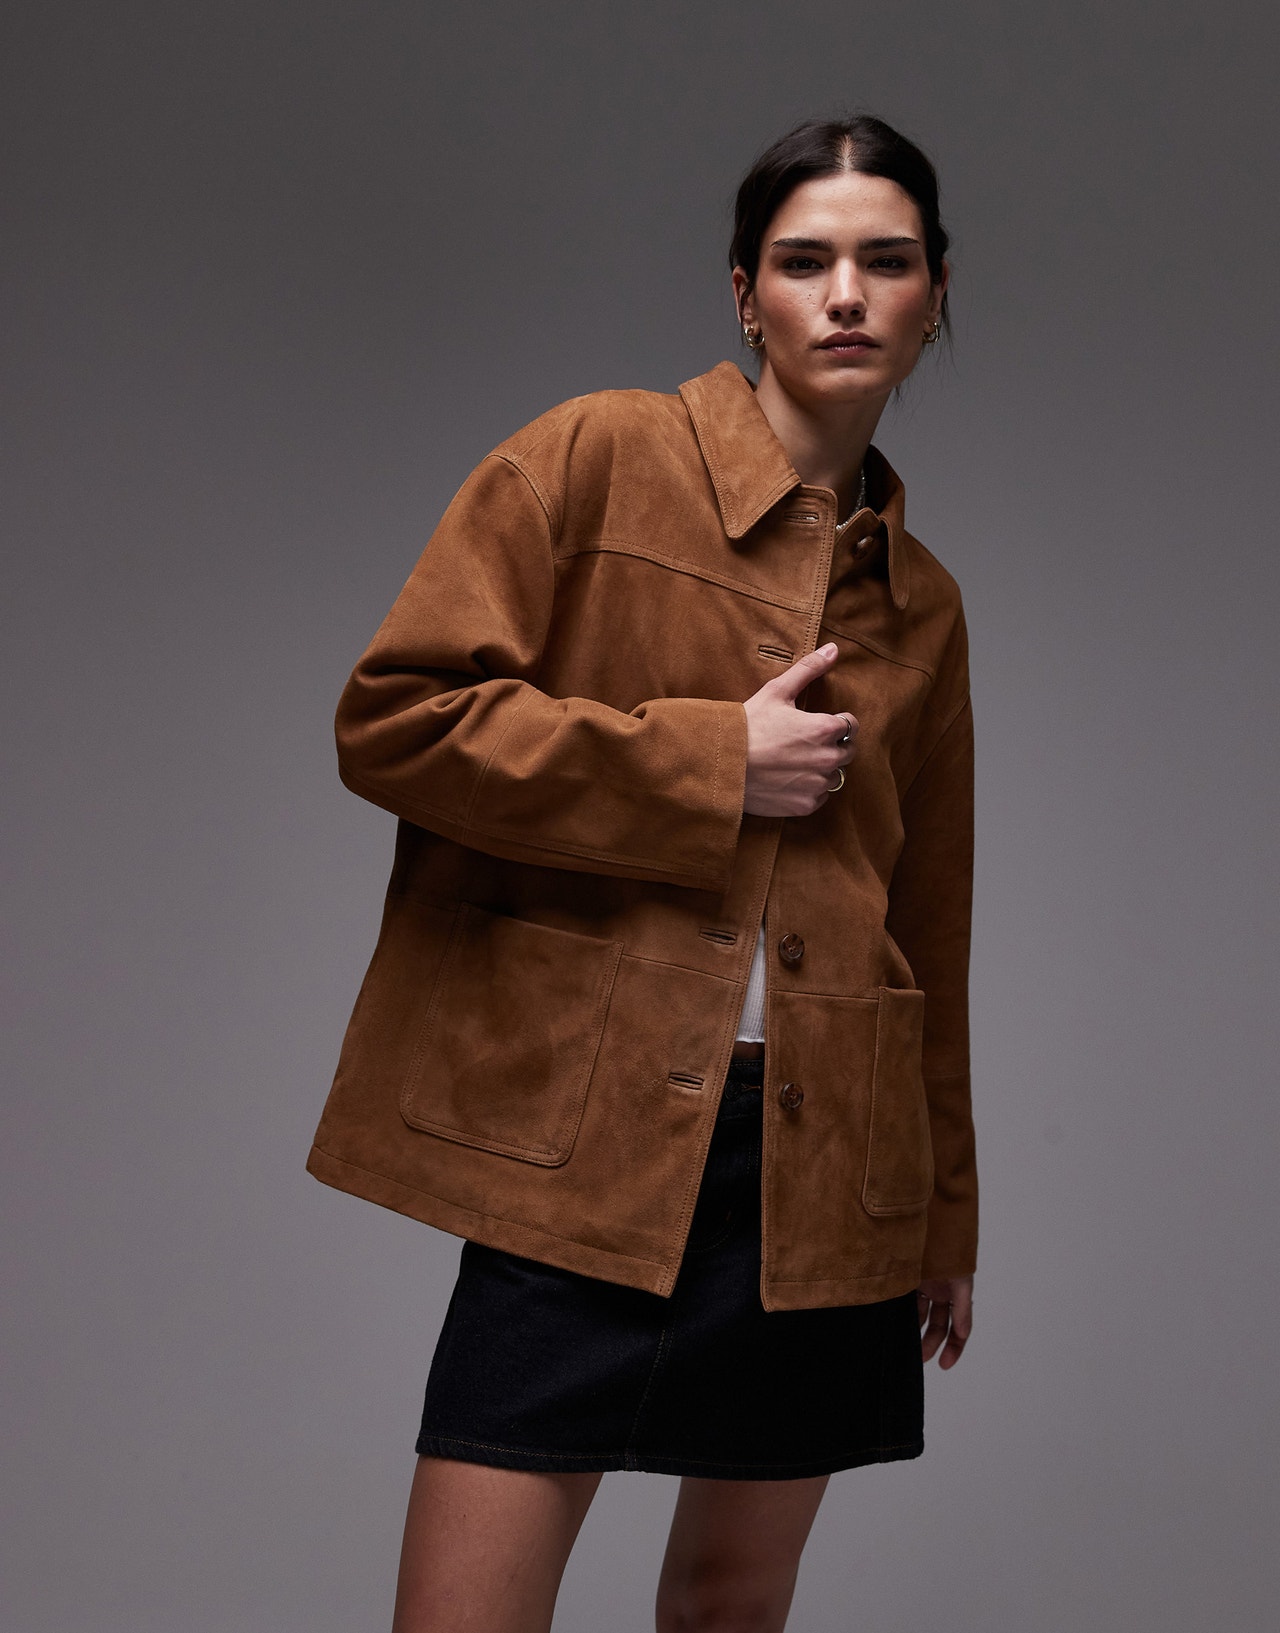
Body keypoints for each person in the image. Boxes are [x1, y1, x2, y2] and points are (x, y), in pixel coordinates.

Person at [307, 113, 977, 1633]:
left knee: (733, 1607)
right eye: (805, 261)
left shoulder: (923, 603)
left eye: (887, 261)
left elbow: (926, 920)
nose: (848, 294)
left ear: (937, 294)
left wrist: (944, 1212)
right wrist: (710, 762)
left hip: (823, 1170)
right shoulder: (597, 458)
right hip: (587, 1152)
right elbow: (394, 721)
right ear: (745, 293)